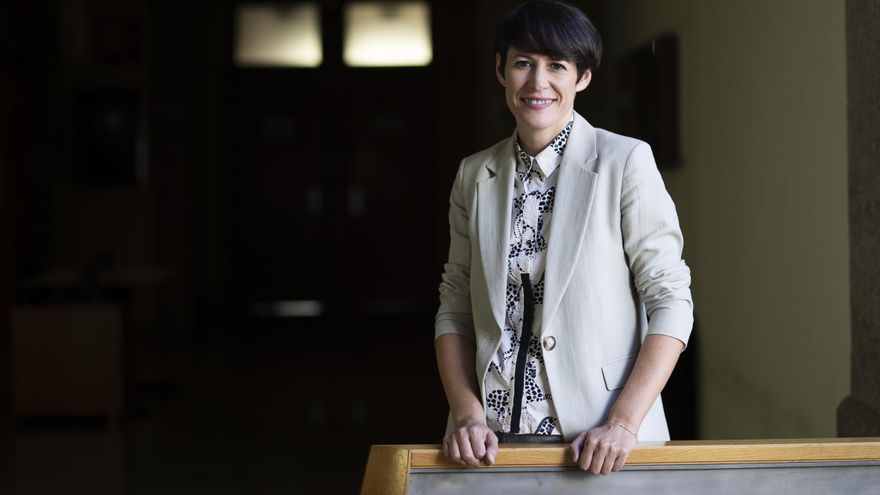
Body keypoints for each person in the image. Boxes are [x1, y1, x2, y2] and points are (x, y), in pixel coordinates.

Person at [434, 0, 694, 476]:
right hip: (488, 445)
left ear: (583, 77)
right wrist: (467, 414)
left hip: (601, 444)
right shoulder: (474, 174)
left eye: (557, 66)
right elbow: (454, 303)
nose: (538, 83)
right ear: (500, 69)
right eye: (523, 63)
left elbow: (672, 301)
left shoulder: (625, 162)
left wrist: (622, 423)